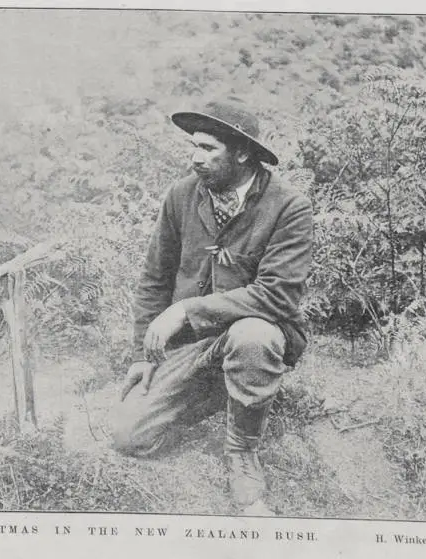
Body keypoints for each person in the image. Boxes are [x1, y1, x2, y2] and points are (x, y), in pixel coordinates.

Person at [110, 97, 313, 511]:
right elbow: (155, 279)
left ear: (241, 152)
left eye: (207, 149)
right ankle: (222, 391)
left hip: (255, 335)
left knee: (252, 335)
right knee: (128, 437)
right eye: (192, 147)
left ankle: (242, 451)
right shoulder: (182, 195)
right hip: (192, 347)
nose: (194, 159)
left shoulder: (289, 206)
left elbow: (278, 294)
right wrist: (141, 356)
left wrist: (186, 310)